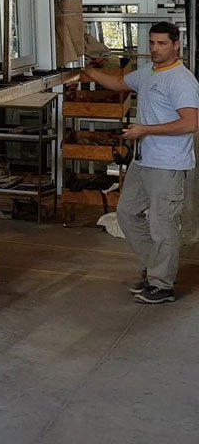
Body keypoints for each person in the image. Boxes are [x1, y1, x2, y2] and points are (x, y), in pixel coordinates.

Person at [80, 21, 198, 304]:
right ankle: (155, 267)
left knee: (162, 223)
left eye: (162, 43)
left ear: (176, 45)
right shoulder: (148, 72)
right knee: (127, 213)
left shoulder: (181, 80)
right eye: (152, 43)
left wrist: (145, 130)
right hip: (144, 160)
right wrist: (85, 70)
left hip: (168, 163)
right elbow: (118, 83)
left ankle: (162, 285)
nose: (155, 48)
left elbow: (191, 123)